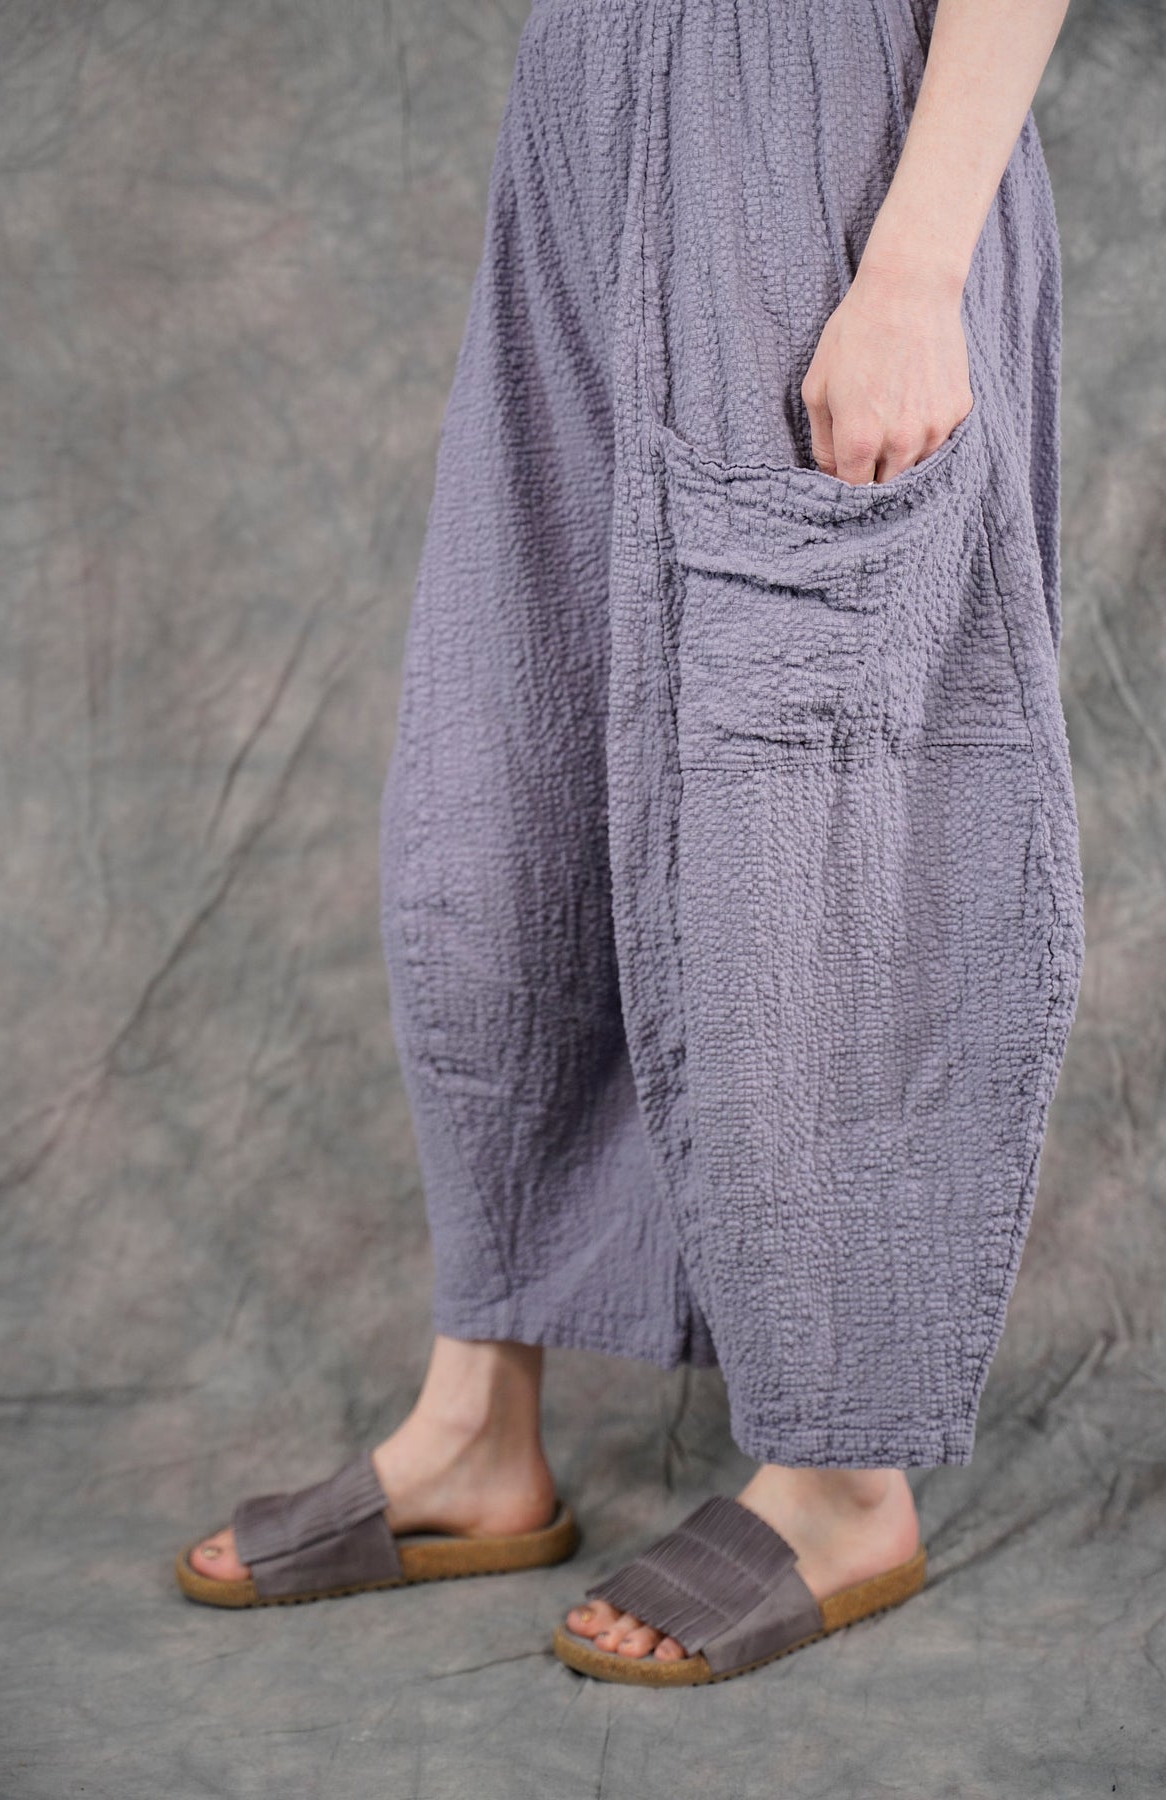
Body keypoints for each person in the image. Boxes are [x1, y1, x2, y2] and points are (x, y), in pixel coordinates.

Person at [176, 0, 1084, 1688]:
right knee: (503, 799)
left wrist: (913, 271)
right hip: (588, 120)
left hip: (829, 146)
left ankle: (841, 1484)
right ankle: (477, 1422)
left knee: (805, 841)